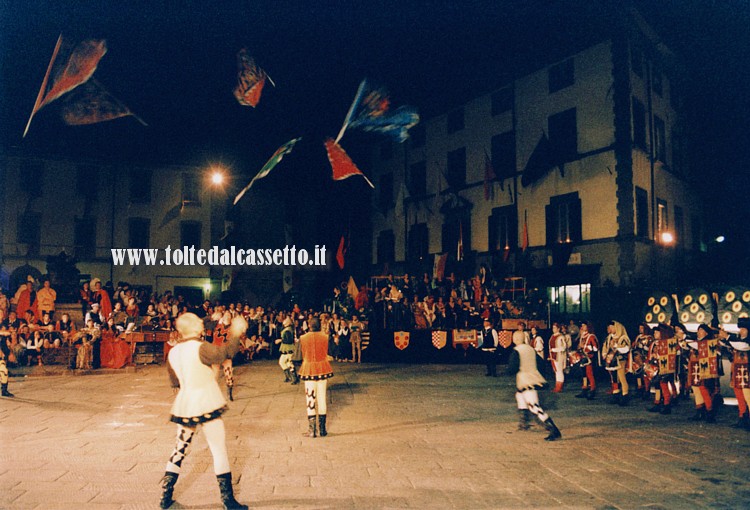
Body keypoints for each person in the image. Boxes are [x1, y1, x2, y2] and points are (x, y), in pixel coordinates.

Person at [159, 313, 248, 510]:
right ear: (193, 327)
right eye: (199, 322)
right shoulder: (201, 347)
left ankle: (165, 496)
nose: (202, 323)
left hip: (186, 402)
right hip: (206, 401)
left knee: (180, 448)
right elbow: (226, 353)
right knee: (218, 449)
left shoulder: (173, 352)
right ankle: (228, 501)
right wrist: (236, 332)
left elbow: (174, 381)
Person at [508, 332, 562, 441]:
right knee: (519, 396)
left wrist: (510, 371)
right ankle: (524, 423)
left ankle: (553, 429)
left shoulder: (517, 350)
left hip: (526, 380)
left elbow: (512, 367)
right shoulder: (530, 349)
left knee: (534, 406)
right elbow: (541, 363)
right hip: (532, 378)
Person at [298, 317, 334, 438]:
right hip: (323, 367)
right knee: (322, 398)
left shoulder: (303, 338)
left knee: (310, 398)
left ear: (309, 325)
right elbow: (330, 351)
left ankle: (312, 430)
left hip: (308, 368)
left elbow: (300, 354)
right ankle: (322, 429)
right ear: (320, 325)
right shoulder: (325, 336)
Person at [726, 318, 750, 429]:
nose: (741, 331)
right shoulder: (736, 340)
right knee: (739, 397)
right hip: (737, 373)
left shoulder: (747, 341)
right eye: (740, 329)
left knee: (748, 397)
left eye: (743, 329)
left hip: (747, 373)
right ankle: (742, 418)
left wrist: (727, 337)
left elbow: (743, 346)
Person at [603, 321, 631, 406]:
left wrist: (616, 347)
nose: (610, 329)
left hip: (620, 360)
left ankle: (625, 395)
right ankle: (616, 394)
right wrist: (604, 354)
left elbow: (626, 349)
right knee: (614, 378)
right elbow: (605, 347)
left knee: (622, 377)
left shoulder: (623, 338)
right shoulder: (609, 338)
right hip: (611, 361)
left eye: (611, 327)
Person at [575, 321, 599, 399]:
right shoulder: (582, 336)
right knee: (583, 374)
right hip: (582, 357)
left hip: (589, 358)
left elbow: (595, 348)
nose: (582, 327)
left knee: (589, 374)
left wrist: (586, 347)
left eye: (584, 326)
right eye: (582, 326)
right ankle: (584, 389)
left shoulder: (591, 336)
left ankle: (592, 389)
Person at [277, 317, 299, 384]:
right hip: (286, 349)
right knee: (283, 362)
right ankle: (289, 377)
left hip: (288, 349)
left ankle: (294, 378)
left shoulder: (288, 330)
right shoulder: (287, 329)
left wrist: (280, 340)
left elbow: (288, 340)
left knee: (289, 363)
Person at [548, 322, 567, 393]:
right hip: (553, 356)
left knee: (559, 371)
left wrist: (554, 350)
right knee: (556, 371)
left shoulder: (561, 337)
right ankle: (557, 386)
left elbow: (563, 347)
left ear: (558, 329)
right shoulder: (552, 336)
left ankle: (559, 387)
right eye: (553, 328)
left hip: (559, 356)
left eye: (555, 328)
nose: (553, 329)